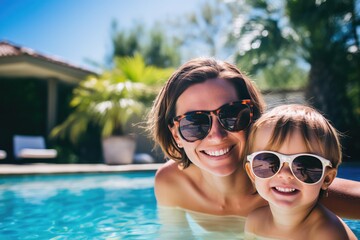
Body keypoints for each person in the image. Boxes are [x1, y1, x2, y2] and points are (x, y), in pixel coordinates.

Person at [147, 57, 360, 235]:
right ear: (176, 134)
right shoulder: (172, 183)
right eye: (194, 123)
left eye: (231, 115)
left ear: (253, 119)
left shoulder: (288, 185)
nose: (216, 135)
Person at [244, 104, 356, 239]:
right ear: (251, 173)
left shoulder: (328, 233)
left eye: (304, 164)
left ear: (327, 179)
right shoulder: (255, 221)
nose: (285, 174)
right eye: (270, 161)